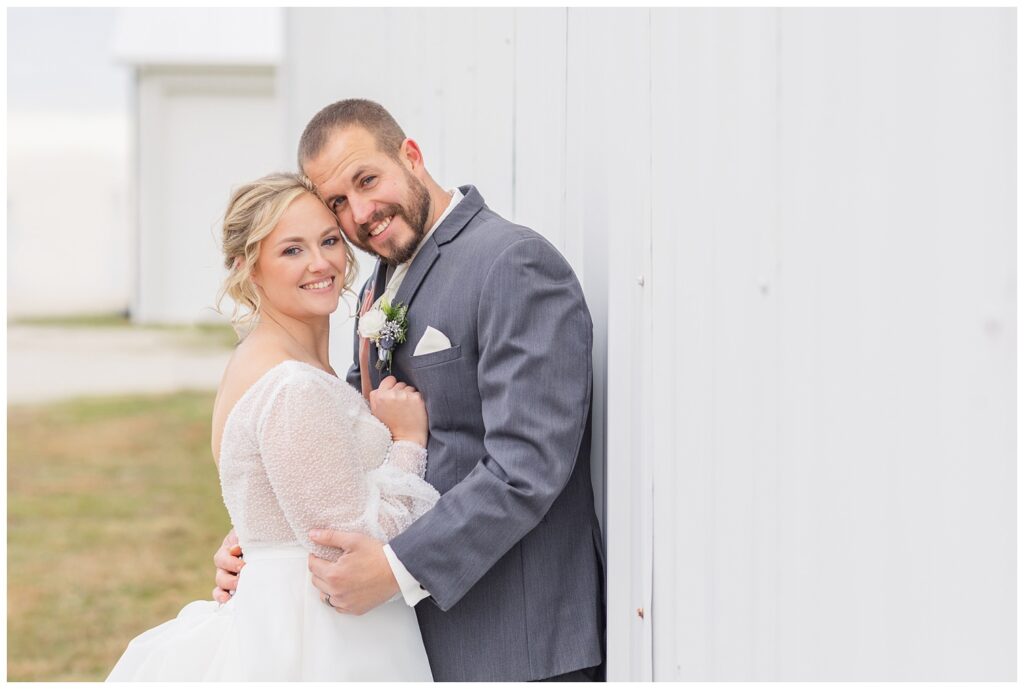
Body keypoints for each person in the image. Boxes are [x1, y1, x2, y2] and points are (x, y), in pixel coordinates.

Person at [214, 100, 606, 682]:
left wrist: (398, 567)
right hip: (418, 637)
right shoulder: (383, 277)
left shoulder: (512, 263)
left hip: (513, 641)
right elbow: (350, 434)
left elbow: (528, 465)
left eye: (367, 180)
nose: (362, 213)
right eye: (339, 204)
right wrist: (263, 535)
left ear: (412, 156)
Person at [108, 173, 438, 681]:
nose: (321, 263)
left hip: (297, 611)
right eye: (291, 250)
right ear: (248, 269)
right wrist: (408, 442)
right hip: (321, 637)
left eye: (329, 240)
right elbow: (349, 547)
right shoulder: (291, 386)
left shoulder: (287, 365)